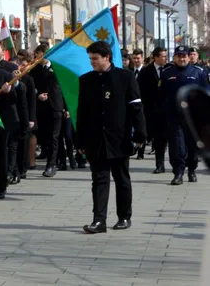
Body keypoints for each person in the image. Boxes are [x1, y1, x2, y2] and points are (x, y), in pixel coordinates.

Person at [76, 41, 145, 233]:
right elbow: (82, 112)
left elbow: (136, 108)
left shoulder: (125, 77)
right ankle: (99, 221)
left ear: (107, 57)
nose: (92, 62)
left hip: (119, 138)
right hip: (95, 139)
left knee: (121, 178)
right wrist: (80, 140)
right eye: (90, 59)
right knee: (99, 179)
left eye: (95, 59)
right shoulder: (86, 80)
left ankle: (124, 216)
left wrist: (140, 134)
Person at [160, 45, 210, 185]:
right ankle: (178, 172)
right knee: (177, 146)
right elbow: (161, 94)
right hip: (174, 116)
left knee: (192, 146)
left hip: (193, 117)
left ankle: (192, 170)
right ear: (174, 57)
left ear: (189, 57)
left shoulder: (199, 72)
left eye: (184, 55)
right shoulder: (167, 72)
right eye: (179, 56)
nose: (182, 58)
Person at [0, 47, 26, 199]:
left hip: (1, 121)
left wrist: (9, 91)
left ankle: (0, 187)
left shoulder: (5, 76)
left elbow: (16, 98)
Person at [31, 44, 64, 177]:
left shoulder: (57, 68)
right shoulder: (34, 70)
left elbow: (64, 89)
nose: (35, 57)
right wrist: (37, 94)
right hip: (41, 107)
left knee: (54, 137)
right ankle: (52, 159)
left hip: (55, 106)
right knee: (44, 137)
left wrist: (66, 109)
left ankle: (51, 164)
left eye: (37, 54)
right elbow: (31, 86)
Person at [138, 47, 168, 173]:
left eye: (166, 56)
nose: (165, 58)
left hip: (169, 110)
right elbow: (140, 92)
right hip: (153, 111)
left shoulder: (170, 69)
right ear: (155, 57)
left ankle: (178, 165)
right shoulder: (145, 72)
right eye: (163, 56)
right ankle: (160, 165)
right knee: (159, 139)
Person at [10, 51, 37, 183]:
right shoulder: (7, 78)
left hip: (24, 116)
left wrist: (31, 119)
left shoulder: (28, 79)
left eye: (15, 66)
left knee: (23, 144)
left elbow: (32, 100)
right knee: (14, 145)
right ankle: (14, 170)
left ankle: (22, 169)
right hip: (11, 116)